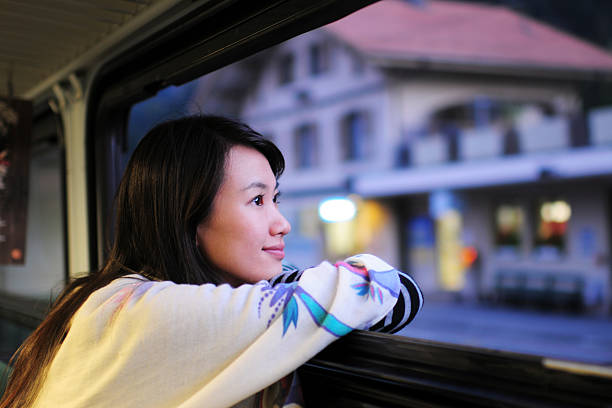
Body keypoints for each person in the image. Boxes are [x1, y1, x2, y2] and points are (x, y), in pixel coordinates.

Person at [0, 115, 423, 408]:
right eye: (257, 200)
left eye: (275, 199)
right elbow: (384, 286)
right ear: (189, 216)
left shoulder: (107, 298)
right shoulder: (145, 314)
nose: (282, 224)